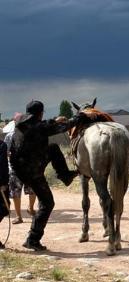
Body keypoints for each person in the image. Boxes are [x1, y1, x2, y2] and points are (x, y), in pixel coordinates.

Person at [10, 100, 86, 251]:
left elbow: (44, 126)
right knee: (48, 203)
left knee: (52, 148)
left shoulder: (20, 125)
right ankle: (33, 239)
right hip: (33, 172)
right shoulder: (39, 126)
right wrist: (80, 116)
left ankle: (65, 176)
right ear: (41, 113)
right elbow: (64, 126)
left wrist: (53, 121)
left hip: (21, 169)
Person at [3, 117, 36, 223]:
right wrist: (10, 155)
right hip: (14, 168)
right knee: (15, 192)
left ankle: (30, 208)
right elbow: (5, 151)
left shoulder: (31, 135)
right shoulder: (9, 136)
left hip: (29, 167)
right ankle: (18, 216)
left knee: (33, 189)